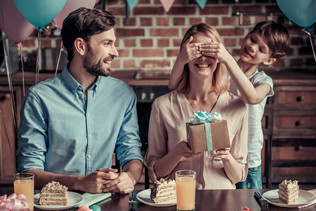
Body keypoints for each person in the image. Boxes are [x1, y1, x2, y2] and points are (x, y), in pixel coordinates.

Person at [16, 7, 143, 194]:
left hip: (103, 207)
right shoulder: (38, 98)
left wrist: (130, 177)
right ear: (81, 46)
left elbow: (131, 153)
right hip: (55, 207)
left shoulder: (123, 94)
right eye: (107, 43)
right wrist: (79, 182)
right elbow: (28, 172)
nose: (115, 52)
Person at [169, 21, 290, 189]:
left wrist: (227, 58)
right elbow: (173, 87)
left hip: (248, 159)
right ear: (247, 35)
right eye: (253, 39)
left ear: (269, 60)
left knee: (248, 209)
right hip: (219, 155)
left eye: (261, 49)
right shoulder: (221, 71)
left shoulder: (263, 81)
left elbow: (251, 97)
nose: (253, 47)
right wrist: (181, 60)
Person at [144, 23, 248, 189]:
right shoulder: (163, 105)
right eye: (196, 51)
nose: (203, 58)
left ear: (219, 56)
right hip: (178, 200)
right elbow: (156, 171)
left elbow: (238, 177)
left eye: (210, 50)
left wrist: (227, 157)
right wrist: (177, 153)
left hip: (222, 202)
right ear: (185, 56)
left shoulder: (237, 107)